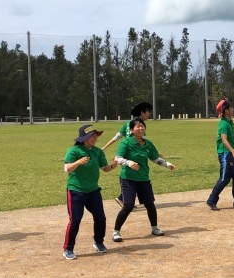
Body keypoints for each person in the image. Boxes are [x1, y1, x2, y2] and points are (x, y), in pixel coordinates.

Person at [111, 118, 175, 242]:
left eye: (142, 126)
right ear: (131, 130)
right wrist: (129, 163)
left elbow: (155, 158)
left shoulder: (148, 144)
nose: (141, 128)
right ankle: (116, 231)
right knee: (128, 205)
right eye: (137, 126)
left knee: (150, 204)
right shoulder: (126, 143)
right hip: (128, 179)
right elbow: (117, 158)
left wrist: (168, 164)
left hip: (143, 178)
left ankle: (154, 228)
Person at [62, 124, 119, 260]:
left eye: (95, 135)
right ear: (83, 138)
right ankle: (68, 248)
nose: (95, 138)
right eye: (92, 136)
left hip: (93, 191)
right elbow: (67, 169)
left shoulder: (97, 151)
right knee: (75, 219)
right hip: (76, 190)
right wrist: (78, 162)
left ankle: (98, 242)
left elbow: (104, 168)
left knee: (100, 217)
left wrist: (112, 166)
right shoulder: (74, 150)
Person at [101, 102, 153, 207]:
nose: (149, 114)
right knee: (136, 177)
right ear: (142, 113)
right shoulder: (140, 125)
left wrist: (104, 147)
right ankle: (123, 198)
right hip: (134, 154)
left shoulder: (127, 123)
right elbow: (143, 142)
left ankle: (123, 198)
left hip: (126, 153)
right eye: (148, 112)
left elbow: (116, 137)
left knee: (130, 176)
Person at [206, 99, 234, 211]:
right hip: (225, 154)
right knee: (224, 178)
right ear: (226, 111)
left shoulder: (230, 122)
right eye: (230, 108)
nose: (233, 109)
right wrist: (233, 151)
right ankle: (211, 200)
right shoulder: (223, 124)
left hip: (231, 153)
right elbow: (224, 140)